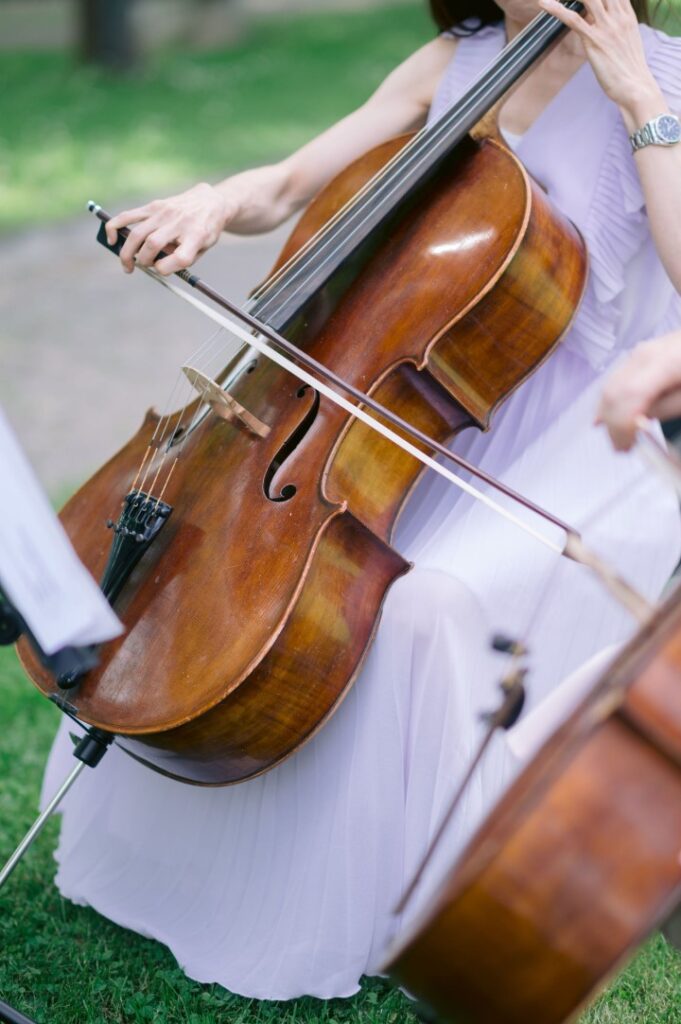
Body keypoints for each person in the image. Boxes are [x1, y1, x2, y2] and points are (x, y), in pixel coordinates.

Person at [42, 0, 681, 1001]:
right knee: (267, 577)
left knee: (420, 601)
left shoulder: (667, 77)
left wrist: (639, 99)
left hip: (577, 452)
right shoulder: (458, 60)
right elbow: (294, 183)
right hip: (406, 421)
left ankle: (411, 900)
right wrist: (213, 201)